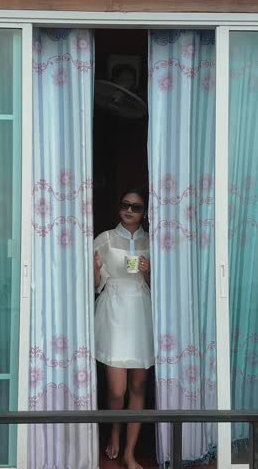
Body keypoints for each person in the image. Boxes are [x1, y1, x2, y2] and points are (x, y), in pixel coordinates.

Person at [93, 189, 153, 469]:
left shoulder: (153, 241)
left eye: (137, 207)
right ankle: (114, 431)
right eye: (125, 204)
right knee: (117, 390)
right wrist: (94, 270)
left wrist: (149, 271)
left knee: (139, 385)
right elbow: (94, 285)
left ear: (145, 212)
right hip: (114, 310)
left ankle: (130, 452)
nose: (129, 210)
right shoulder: (104, 239)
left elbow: (167, 288)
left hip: (141, 311)